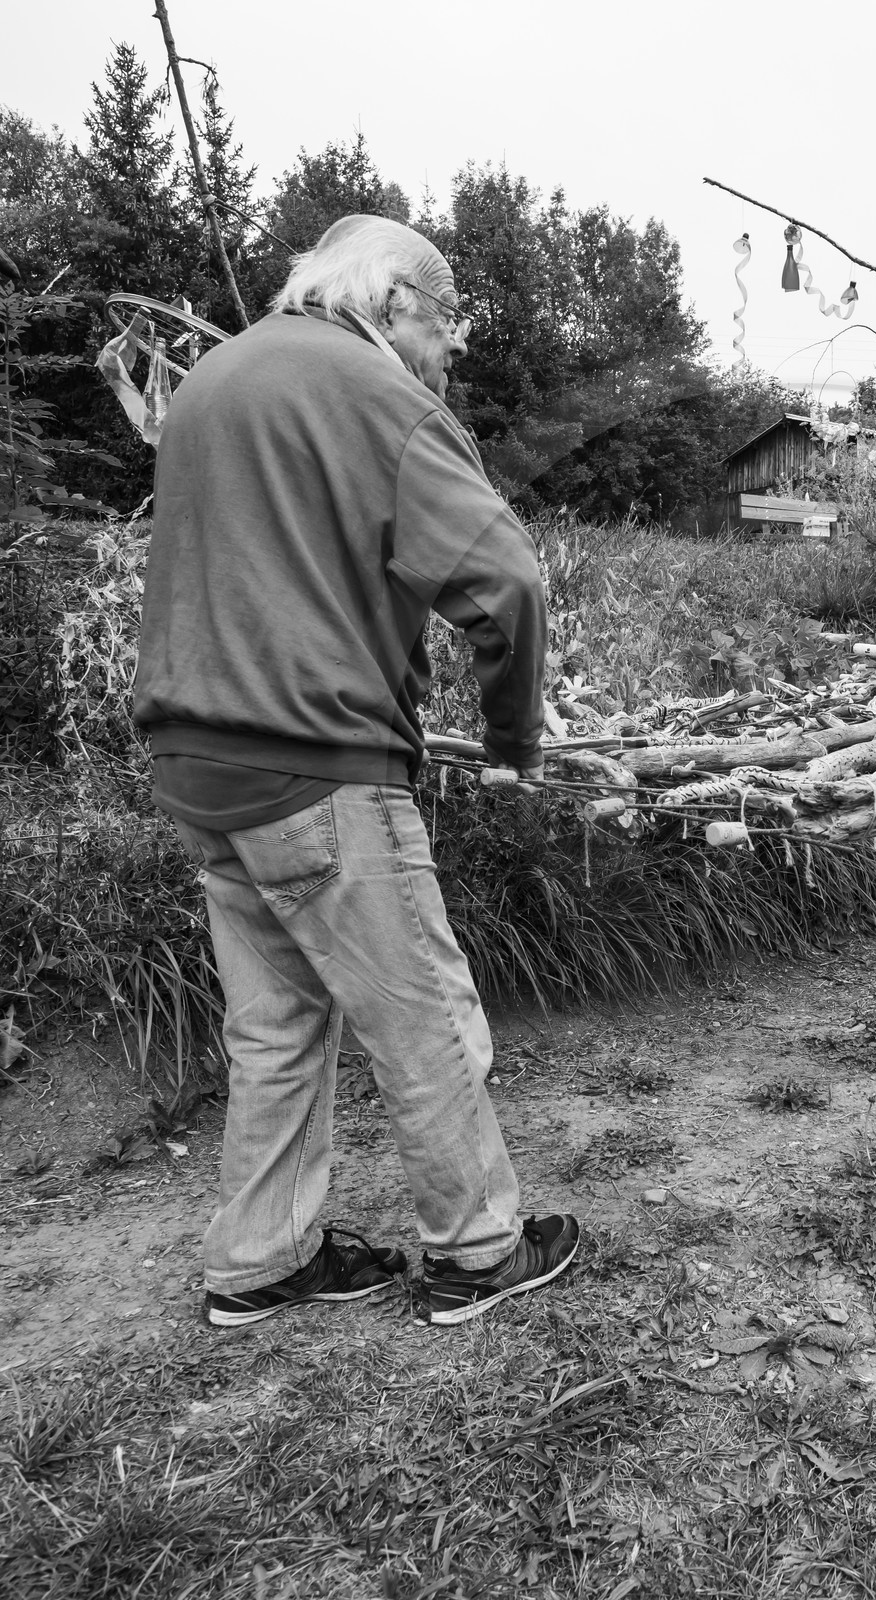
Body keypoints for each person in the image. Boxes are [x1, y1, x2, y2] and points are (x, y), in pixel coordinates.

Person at [133, 215, 580, 1328]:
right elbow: (505, 579)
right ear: (389, 303)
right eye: (441, 325)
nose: (447, 354)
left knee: (277, 1026)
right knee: (423, 1014)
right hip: (314, 764)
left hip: (197, 766)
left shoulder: (212, 382)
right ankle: (480, 1250)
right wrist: (516, 743)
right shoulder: (370, 391)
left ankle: (259, 1260)